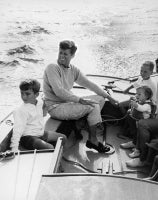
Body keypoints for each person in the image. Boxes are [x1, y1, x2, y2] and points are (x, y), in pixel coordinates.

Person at [43, 40, 118, 153]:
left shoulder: (73, 70)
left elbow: (90, 84)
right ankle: (93, 140)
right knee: (93, 106)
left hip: (67, 104)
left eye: (65, 54)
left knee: (100, 99)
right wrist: (80, 100)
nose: (62, 56)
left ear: (72, 55)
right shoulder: (52, 67)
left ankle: (81, 124)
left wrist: (110, 98)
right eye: (60, 52)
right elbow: (59, 92)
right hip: (55, 107)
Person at [10, 79, 66, 152]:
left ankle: (54, 154)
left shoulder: (39, 103)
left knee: (63, 138)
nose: (24, 97)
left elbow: (43, 114)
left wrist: (45, 106)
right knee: (50, 147)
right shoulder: (21, 110)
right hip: (27, 137)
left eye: (27, 94)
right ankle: (51, 153)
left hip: (40, 133)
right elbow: (17, 130)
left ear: (36, 95)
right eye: (22, 93)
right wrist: (14, 148)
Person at [120, 86, 156, 153]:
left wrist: (135, 105)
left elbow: (141, 108)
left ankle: (138, 148)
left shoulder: (147, 105)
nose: (137, 95)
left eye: (139, 94)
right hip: (136, 121)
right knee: (135, 133)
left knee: (139, 135)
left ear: (146, 96)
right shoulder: (140, 101)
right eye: (136, 93)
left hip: (143, 124)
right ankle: (134, 143)